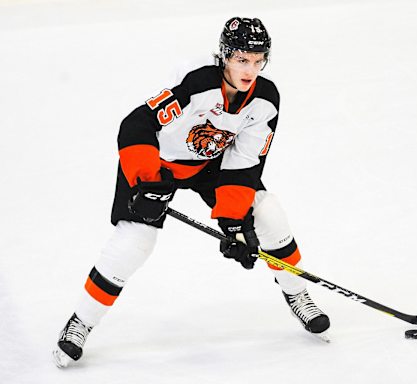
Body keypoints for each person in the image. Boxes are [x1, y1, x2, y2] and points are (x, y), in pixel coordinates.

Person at [52, 16, 330, 368]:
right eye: (242, 59)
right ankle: (81, 321)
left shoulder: (265, 101)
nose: (250, 70)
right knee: (134, 242)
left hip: (209, 167)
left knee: (268, 212)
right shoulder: (197, 86)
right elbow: (136, 124)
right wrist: (147, 182)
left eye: (258, 61)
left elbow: (244, 162)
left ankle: (298, 294)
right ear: (225, 57)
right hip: (158, 166)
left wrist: (232, 222)